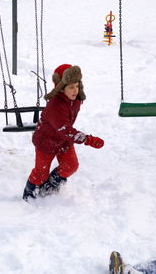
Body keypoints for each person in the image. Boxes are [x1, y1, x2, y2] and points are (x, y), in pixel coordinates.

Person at [23, 64, 104, 201]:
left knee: (71, 165)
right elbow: (64, 129)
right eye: (71, 87)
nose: (75, 90)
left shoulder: (75, 101)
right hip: (46, 141)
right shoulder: (55, 105)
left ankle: (50, 186)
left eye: (77, 86)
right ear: (61, 87)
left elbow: (65, 130)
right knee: (41, 172)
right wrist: (87, 139)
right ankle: (29, 194)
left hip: (63, 140)